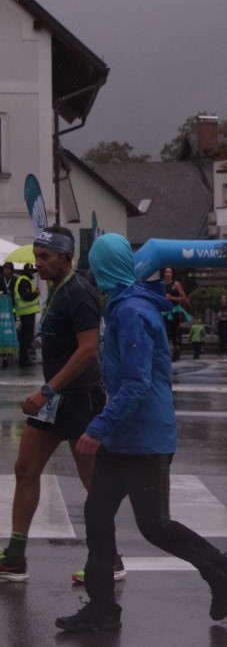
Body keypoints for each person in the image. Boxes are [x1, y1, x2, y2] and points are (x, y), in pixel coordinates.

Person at [56, 233, 227, 633]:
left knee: (154, 525)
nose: (91, 272)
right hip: (123, 437)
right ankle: (102, 608)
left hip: (145, 438)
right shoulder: (122, 305)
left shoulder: (131, 312)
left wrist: (98, 426)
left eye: (94, 265)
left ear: (103, 268)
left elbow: (137, 382)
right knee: (97, 515)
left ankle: (223, 569)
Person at [0, 227, 121, 583]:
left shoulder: (80, 293)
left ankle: (110, 559)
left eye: (46, 257)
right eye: (36, 256)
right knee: (25, 468)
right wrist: (49, 392)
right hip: (53, 399)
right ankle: (15, 556)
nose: (38, 263)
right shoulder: (56, 289)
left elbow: (88, 350)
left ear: (67, 258)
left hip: (80, 397)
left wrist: (47, 389)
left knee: (92, 480)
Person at [14, 265, 40, 367]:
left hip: (26, 313)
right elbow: (25, 296)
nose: (33, 272)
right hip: (27, 313)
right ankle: (24, 359)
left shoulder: (24, 280)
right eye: (32, 270)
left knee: (26, 337)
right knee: (26, 337)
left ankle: (24, 358)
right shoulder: (24, 281)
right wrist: (36, 293)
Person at [162, 267, 189, 362]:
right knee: (166, 332)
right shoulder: (161, 284)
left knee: (174, 334)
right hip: (165, 312)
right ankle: (166, 354)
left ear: (172, 274)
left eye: (170, 272)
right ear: (164, 273)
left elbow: (184, 298)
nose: (168, 274)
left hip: (175, 312)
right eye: (166, 272)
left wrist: (172, 298)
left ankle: (176, 350)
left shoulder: (176, 284)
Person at [0, 263, 18, 366]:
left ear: (11, 270)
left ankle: (10, 352)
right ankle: (3, 352)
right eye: (5, 268)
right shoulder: (0, 279)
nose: (7, 270)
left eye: (9, 269)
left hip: (12, 308)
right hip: (2, 309)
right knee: (2, 329)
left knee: (11, 329)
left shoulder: (15, 279)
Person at [215, 294, 227, 358]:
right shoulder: (218, 307)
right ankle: (221, 353)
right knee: (221, 339)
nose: (223, 299)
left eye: (224, 298)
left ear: (226, 300)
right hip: (221, 324)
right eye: (222, 298)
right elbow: (215, 316)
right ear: (220, 300)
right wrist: (218, 316)